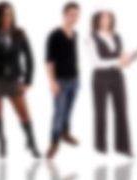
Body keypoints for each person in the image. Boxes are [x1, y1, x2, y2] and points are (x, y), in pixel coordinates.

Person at [0, 2, 39, 158]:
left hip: (14, 79)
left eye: (10, 14)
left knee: (24, 113)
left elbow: (30, 58)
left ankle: (31, 142)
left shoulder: (20, 34)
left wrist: (27, 81)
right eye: (4, 14)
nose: (7, 17)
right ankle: (2, 142)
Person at [87, 10, 135, 157]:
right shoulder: (91, 38)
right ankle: (100, 147)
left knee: (122, 110)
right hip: (100, 77)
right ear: (97, 19)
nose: (106, 19)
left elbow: (120, 55)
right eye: (103, 17)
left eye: (109, 17)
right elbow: (97, 62)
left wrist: (126, 60)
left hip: (117, 76)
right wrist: (117, 61)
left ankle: (123, 147)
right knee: (100, 112)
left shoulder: (117, 36)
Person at [45, 2, 80, 159]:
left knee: (69, 109)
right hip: (60, 81)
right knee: (59, 112)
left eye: (77, 15)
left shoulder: (75, 34)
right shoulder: (54, 35)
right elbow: (49, 61)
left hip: (75, 79)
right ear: (64, 15)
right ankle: (54, 143)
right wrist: (52, 82)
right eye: (71, 14)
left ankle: (65, 133)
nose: (74, 17)